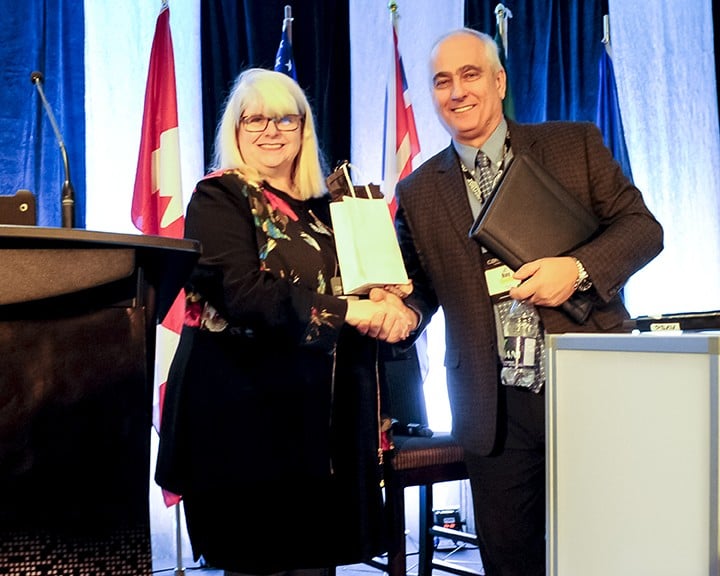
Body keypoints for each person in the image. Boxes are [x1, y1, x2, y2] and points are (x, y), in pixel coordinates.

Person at [377, 29, 664, 576]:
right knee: (511, 564)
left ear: (500, 81)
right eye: (442, 81)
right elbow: (420, 288)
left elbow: (643, 230)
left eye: (470, 74)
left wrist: (575, 271)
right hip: (493, 410)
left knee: (605, 556)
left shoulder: (573, 145)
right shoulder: (417, 190)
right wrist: (400, 312)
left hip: (588, 386)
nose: (456, 91)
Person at [155, 68, 416, 576]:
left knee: (316, 566)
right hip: (241, 426)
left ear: (303, 128)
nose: (270, 130)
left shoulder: (325, 208)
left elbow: (353, 279)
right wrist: (352, 311)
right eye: (255, 119)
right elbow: (243, 295)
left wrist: (381, 295)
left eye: (285, 119)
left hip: (321, 430)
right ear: (236, 129)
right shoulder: (218, 198)